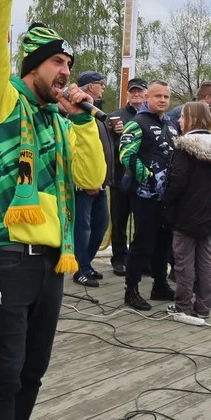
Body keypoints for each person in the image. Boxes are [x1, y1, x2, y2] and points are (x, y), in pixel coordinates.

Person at [0, 0, 106, 420]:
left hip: (53, 260)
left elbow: (93, 178)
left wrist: (85, 121)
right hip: (7, 258)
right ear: (33, 66)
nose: (66, 74)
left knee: (33, 371)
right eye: (57, 64)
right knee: (3, 375)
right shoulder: (0, 100)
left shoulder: (58, 119)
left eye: (69, 67)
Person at [162, 101, 211, 326]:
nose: (180, 121)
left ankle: (183, 307)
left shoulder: (184, 148)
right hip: (208, 212)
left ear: (192, 118)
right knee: (204, 261)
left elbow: (177, 181)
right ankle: (203, 308)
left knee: (183, 263)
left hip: (184, 214)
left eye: (183, 117)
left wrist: (167, 203)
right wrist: (209, 194)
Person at [119, 79, 178, 311]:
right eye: (158, 96)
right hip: (144, 195)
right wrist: (150, 179)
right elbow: (126, 155)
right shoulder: (137, 123)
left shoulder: (172, 125)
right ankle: (131, 290)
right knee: (143, 242)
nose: (162, 100)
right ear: (147, 98)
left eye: (166, 97)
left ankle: (160, 285)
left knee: (165, 242)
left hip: (168, 197)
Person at [71, 70, 114, 287]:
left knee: (101, 224)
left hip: (99, 180)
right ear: (89, 87)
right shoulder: (76, 112)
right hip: (83, 183)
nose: (103, 88)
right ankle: (81, 268)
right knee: (83, 226)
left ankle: (85, 262)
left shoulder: (96, 112)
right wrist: (86, 179)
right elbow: (78, 148)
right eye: (100, 84)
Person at [107, 78, 148, 275]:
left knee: (144, 224)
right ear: (128, 94)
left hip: (143, 180)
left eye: (140, 92)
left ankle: (140, 260)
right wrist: (116, 135)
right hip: (120, 178)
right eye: (133, 92)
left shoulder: (152, 117)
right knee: (119, 221)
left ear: (146, 94)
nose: (136, 95)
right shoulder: (115, 117)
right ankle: (119, 259)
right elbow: (107, 148)